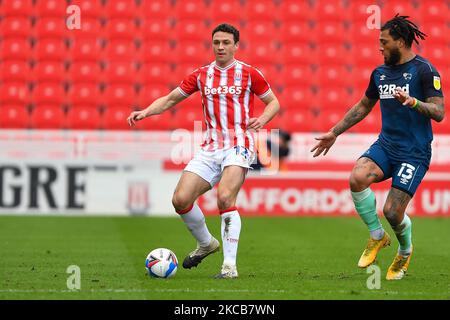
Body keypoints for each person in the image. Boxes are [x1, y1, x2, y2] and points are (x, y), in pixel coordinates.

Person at [127, 23, 280, 278]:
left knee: (225, 198)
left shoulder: (249, 73)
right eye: (216, 42)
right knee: (181, 199)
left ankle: (229, 267)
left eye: (226, 43)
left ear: (236, 46)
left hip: (239, 144)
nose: (220, 47)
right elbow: (170, 99)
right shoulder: (200, 75)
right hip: (210, 147)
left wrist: (263, 119)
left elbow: (273, 102)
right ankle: (207, 244)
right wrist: (145, 112)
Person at [311, 15, 445, 280]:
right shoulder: (380, 73)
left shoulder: (424, 70)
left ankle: (405, 251)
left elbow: (439, 112)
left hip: (414, 151)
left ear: (401, 41)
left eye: (384, 42)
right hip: (386, 145)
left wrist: (414, 102)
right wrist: (334, 132)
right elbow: (363, 106)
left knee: (392, 211)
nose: (379, 47)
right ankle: (377, 236)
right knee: (357, 177)